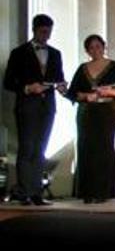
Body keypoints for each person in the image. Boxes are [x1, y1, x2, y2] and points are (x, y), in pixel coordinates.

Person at [3, 14, 66, 205]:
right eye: (43, 31)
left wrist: (61, 86)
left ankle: (37, 192)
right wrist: (28, 88)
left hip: (48, 106)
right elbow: (8, 82)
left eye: (49, 32)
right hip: (27, 105)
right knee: (27, 147)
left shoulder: (55, 53)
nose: (46, 35)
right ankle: (24, 192)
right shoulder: (19, 52)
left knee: (41, 149)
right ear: (34, 30)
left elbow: (58, 77)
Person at [65, 34, 115, 203]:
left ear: (103, 47)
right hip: (86, 112)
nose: (95, 50)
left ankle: (103, 192)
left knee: (104, 148)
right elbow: (72, 93)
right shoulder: (83, 68)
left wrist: (107, 92)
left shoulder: (114, 66)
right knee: (86, 149)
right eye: (91, 48)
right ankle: (87, 192)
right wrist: (86, 96)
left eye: (98, 47)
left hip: (106, 112)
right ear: (87, 50)